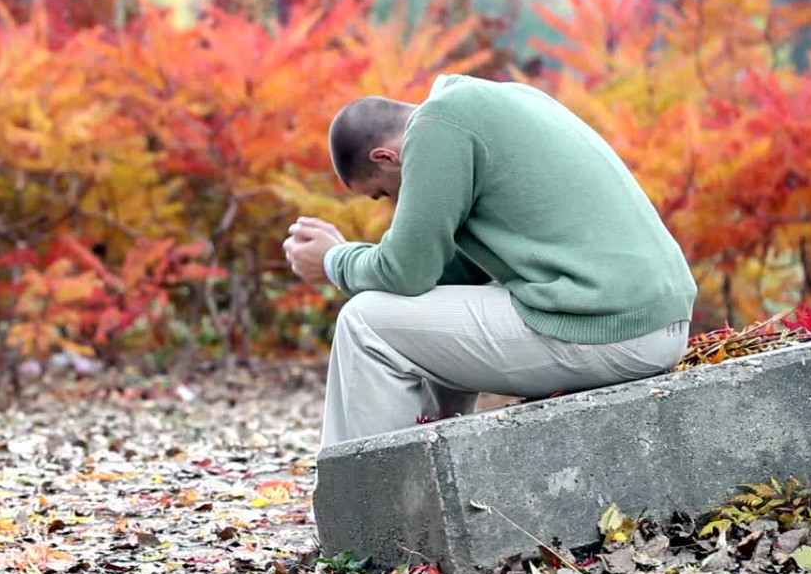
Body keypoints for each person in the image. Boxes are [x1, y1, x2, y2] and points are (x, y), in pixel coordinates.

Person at [283, 74, 697, 449]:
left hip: (612, 328)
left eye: (383, 193)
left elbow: (406, 272)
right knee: (416, 312)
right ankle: (429, 462)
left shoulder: (436, 125)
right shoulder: (504, 100)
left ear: (385, 158)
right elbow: (448, 272)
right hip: (650, 320)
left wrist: (335, 260)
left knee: (365, 321)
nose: (394, 203)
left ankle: (368, 509)